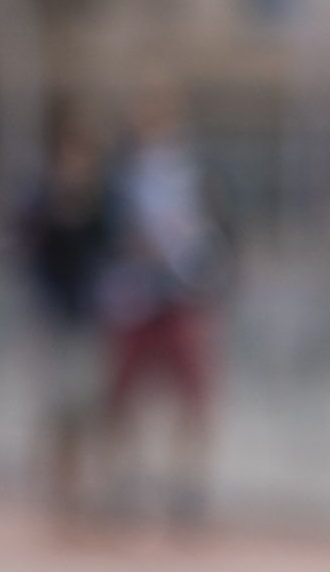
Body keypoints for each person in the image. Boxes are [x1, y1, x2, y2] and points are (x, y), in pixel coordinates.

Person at [101, 84, 217, 529]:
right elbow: (104, 235)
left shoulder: (196, 174)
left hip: (182, 295)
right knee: (125, 396)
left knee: (192, 396)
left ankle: (186, 484)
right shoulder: (121, 180)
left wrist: (206, 266)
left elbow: (220, 233)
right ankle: (126, 479)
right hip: (134, 299)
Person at [14, 119, 116, 524]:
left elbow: (109, 247)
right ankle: (61, 485)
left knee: (89, 406)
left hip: (90, 315)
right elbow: (31, 251)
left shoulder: (100, 200)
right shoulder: (43, 200)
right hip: (57, 316)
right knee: (60, 405)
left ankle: (84, 487)